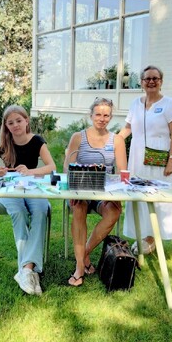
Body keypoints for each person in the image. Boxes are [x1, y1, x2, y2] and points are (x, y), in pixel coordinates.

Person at [0, 105, 57, 295]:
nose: (15, 125)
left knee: (40, 211)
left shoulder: (37, 141)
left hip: (33, 187)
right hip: (9, 189)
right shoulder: (3, 142)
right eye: (10, 123)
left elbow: (51, 166)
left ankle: (25, 269)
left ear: (26, 121)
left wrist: (31, 172)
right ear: (6, 125)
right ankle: (29, 270)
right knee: (19, 213)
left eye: (19, 121)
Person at [63, 98, 127, 286]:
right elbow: (67, 167)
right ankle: (80, 268)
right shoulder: (78, 137)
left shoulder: (117, 140)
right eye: (98, 114)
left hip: (103, 192)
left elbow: (122, 172)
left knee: (114, 211)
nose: (102, 118)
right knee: (79, 208)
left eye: (106, 115)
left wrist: (118, 192)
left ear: (111, 117)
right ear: (91, 116)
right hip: (80, 190)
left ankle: (83, 256)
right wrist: (75, 192)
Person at [118, 65, 172, 255]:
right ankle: (141, 234)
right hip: (137, 157)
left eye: (155, 78)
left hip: (160, 157)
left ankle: (152, 238)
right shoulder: (135, 103)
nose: (151, 82)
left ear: (161, 81)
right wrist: (112, 142)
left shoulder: (170, 104)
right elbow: (127, 129)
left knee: (158, 197)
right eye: (147, 79)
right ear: (141, 82)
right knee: (138, 194)